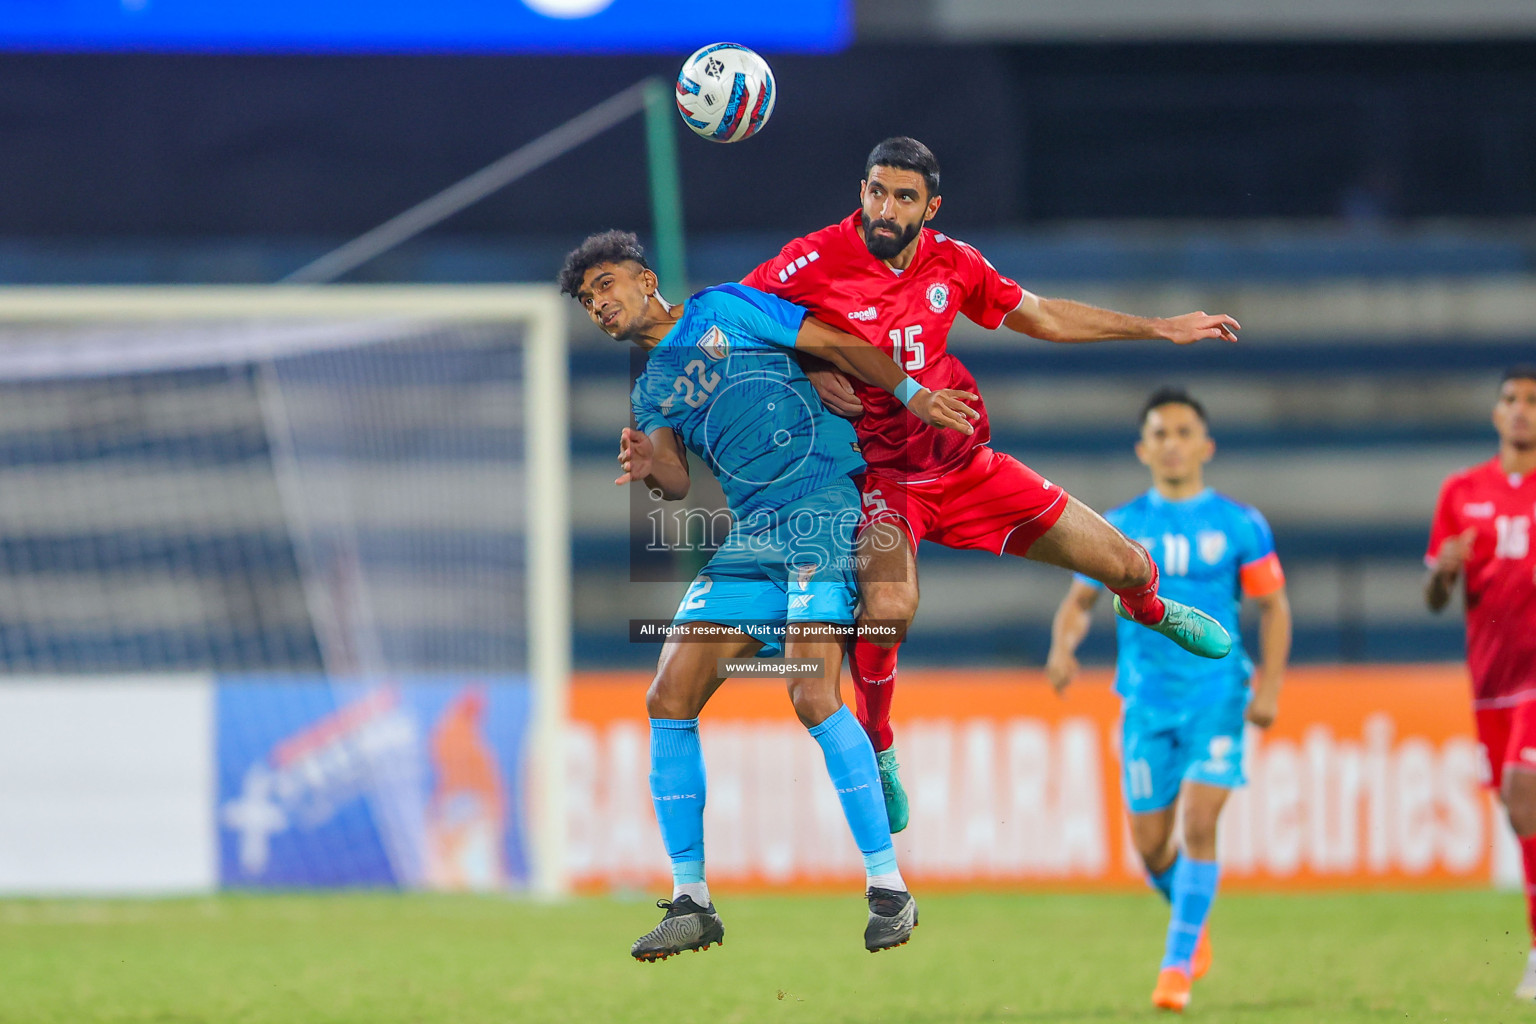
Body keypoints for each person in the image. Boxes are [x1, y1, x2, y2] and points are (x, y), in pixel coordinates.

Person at [743, 136, 1238, 831]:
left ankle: (1149, 610)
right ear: (861, 192)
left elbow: (1039, 315)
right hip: (884, 479)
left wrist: (1159, 328)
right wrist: (807, 367)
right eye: (876, 191)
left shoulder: (955, 264)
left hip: (967, 466)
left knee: (1127, 564)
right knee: (891, 604)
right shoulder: (813, 260)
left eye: (904, 197)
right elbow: (724, 327)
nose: (885, 208)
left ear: (930, 207)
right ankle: (879, 745)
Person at [558, 230, 978, 961]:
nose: (598, 304)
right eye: (587, 299)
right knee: (668, 695)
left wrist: (913, 395)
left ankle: (889, 889)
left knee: (812, 696)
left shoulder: (727, 308)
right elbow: (678, 482)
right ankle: (692, 900)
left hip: (820, 503)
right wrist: (648, 463)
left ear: (645, 277)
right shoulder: (651, 384)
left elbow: (837, 341)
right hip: (752, 533)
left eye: (604, 285)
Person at [1045, 388, 1290, 1013]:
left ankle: (1175, 967)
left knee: (1202, 821)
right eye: (1160, 433)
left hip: (1218, 693)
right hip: (1147, 702)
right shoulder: (1119, 527)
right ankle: (1191, 914)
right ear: (1142, 448)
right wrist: (1064, 648)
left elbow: (1274, 607)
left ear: (1205, 445)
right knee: (1152, 847)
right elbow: (1079, 603)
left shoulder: (1240, 524)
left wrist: (1272, 689)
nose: (1173, 443)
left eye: (1184, 432)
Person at [1425, 366, 1536, 1001]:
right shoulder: (1461, 492)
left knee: (1525, 796)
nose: (1520, 410)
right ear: (1496, 413)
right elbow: (1436, 597)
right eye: (1510, 399)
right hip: (1490, 681)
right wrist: (1444, 570)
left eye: (1531, 401)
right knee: (1520, 810)